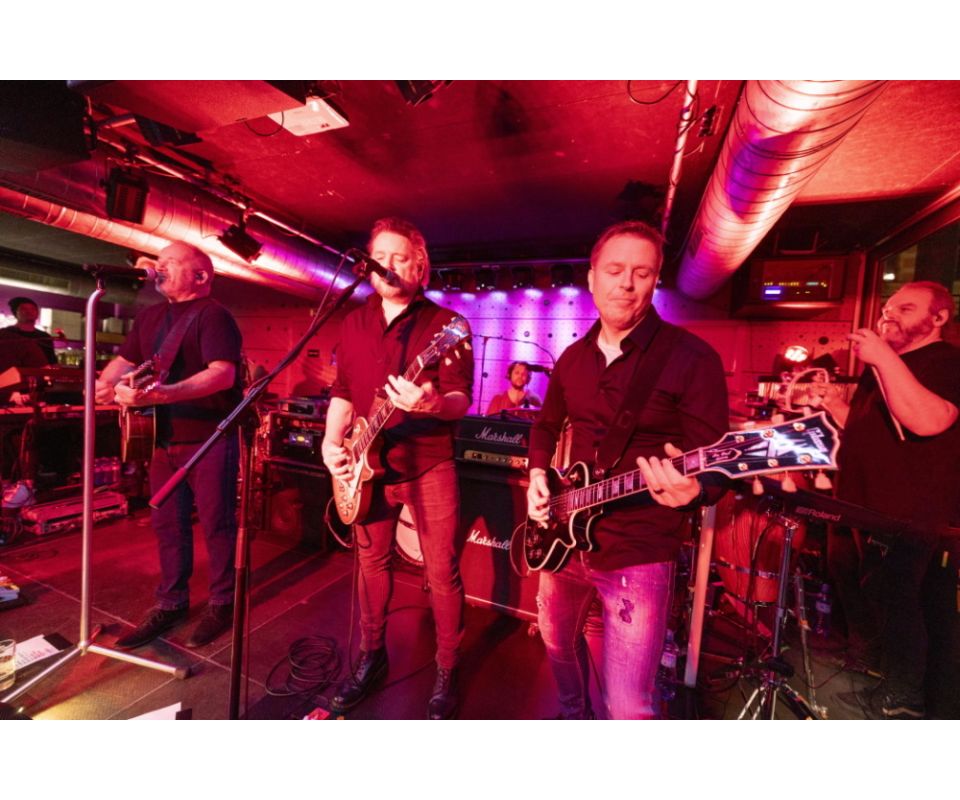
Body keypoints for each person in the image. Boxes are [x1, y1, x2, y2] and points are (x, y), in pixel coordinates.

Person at [526, 220, 729, 719]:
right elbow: (545, 427)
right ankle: (573, 713)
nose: (627, 284)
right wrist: (536, 475)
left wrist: (696, 490)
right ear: (592, 278)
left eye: (641, 272)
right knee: (556, 644)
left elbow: (719, 461)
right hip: (563, 538)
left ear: (656, 280)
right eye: (614, 270)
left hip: (639, 550)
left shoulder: (691, 358)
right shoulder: (572, 358)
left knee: (629, 705)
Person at [322, 217, 474, 719]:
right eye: (380, 257)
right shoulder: (353, 321)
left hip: (428, 462)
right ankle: (372, 656)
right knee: (371, 564)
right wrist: (331, 442)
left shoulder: (447, 325)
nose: (388, 265)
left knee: (441, 571)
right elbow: (344, 392)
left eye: (400, 257)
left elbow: (461, 399)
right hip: (367, 463)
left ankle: (447, 668)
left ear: (419, 265)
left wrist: (432, 403)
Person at [95, 242, 243, 650]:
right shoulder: (149, 317)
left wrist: (164, 394)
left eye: (170, 263)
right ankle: (171, 602)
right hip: (162, 438)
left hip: (210, 437)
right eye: (157, 263)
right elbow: (125, 361)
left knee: (216, 524)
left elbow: (222, 374)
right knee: (167, 525)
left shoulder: (213, 315)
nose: (158, 269)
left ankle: (223, 602)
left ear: (200, 276)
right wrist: (105, 384)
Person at [822, 281, 960, 719]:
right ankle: (878, 673)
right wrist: (836, 408)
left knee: (897, 601)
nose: (889, 314)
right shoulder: (889, 363)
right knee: (862, 586)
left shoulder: (947, 361)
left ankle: (903, 699)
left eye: (906, 308)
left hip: (907, 512)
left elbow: (931, 420)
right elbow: (879, 429)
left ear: (938, 318)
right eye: (888, 308)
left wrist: (882, 357)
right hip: (864, 505)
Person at [2, 296, 57, 365]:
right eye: (23, 309)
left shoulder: (45, 337)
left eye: (32, 309)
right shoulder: (5, 334)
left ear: (37, 313)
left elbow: (51, 361)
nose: (29, 311)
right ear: (16, 313)